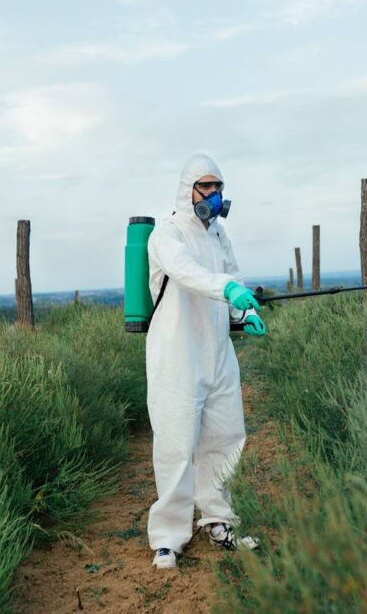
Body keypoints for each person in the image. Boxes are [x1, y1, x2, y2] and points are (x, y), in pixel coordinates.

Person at [144, 153, 265, 569]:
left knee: (225, 438)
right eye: (206, 186)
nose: (213, 195)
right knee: (177, 446)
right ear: (188, 189)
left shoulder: (219, 235)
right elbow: (187, 273)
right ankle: (168, 538)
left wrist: (244, 312)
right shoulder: (167, 234)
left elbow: (233, 276)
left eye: (219, 188)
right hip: (177, 357)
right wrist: (227, 290)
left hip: (217, 355)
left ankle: (218, 520)